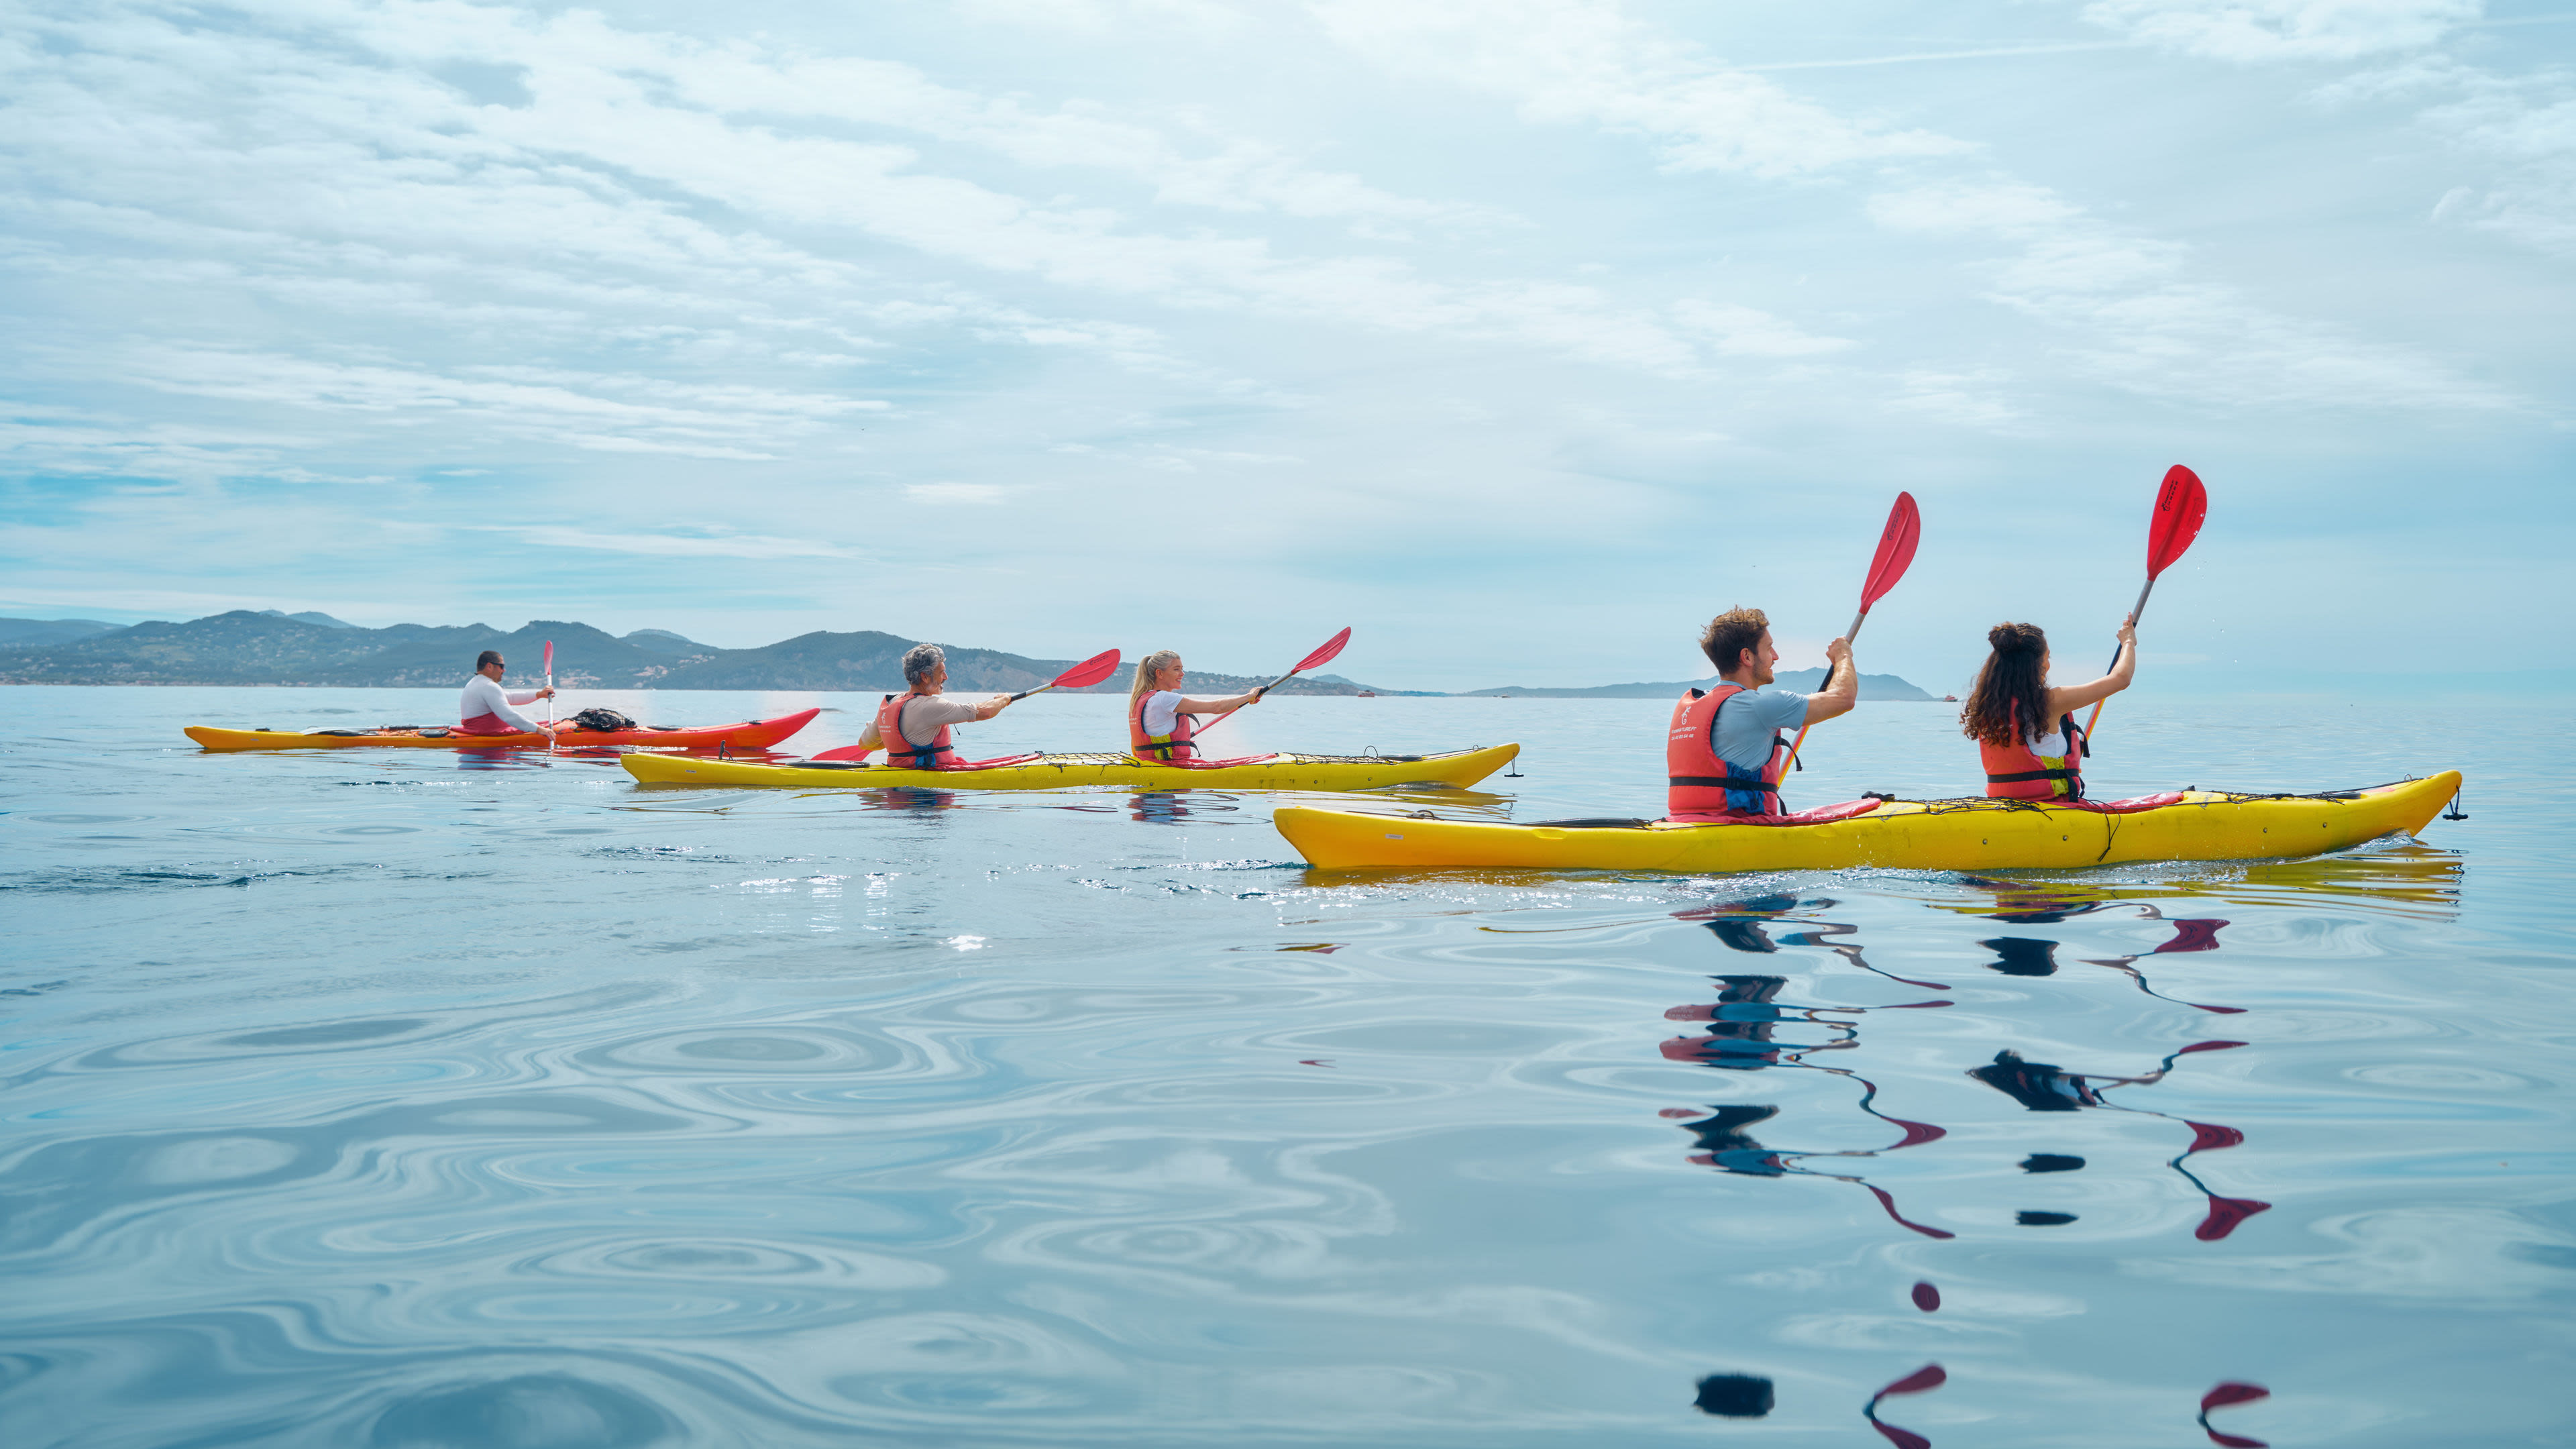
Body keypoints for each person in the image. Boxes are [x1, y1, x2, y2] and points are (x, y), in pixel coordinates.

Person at [1667, 607, 1855, 818]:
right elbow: (1844, 698)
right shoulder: (1761, 706)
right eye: (1769, 648)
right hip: (1737, 830)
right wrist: (1844, 656)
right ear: (1747, 656)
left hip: (1683, 823)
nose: (1775, 657)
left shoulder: (1691, 706)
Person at [1960, 618, 2135, 800]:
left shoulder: (1986, 705)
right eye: (2047, 657)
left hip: (2002, 804)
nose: (2048, 664)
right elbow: (2121, 679)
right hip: (2049, 809)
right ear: (2037, 664)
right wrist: (2128, 641)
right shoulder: (2050, 701)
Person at [849, 643, 1014, 768]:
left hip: (898, 794)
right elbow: (985, 712)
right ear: (925, 677)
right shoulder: (930, 706)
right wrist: (1004, 699)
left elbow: (865, 744)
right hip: (929, 800)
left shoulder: (891, 703)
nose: (946, 677)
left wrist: (893, 738)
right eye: (941, 672)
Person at [1125, 650, 1267, 764]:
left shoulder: (1141, 698)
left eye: (1182, 669)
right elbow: (1217, 707)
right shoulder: (1164, 698)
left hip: (1147, 764)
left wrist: (1245, 700)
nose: (1182, 673)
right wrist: (1249, 696)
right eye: (1176, 669)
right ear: (1160, 674)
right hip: (1167, 767)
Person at [457, 649, 562, 736]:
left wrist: (539, 694)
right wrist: (540, 730)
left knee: (544, 724)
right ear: (489, 666)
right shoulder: (489, 686)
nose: (504, 670)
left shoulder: (476, 683)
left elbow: (510, 697)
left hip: (479, 732)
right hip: (488, 734)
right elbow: (509, 716)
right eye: (501, 666)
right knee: (545, 726)